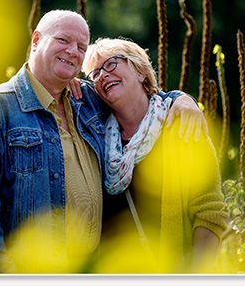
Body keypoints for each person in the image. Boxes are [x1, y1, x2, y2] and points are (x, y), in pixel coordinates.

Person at [0, 10, 202, 273]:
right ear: (36, 40)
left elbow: (143, 100)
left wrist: (181, 100)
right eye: (63, 40)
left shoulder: (89, 101)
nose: (73, 51)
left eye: (81, 46)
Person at [83, 37, 226, 273]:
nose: (103, 75)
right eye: (95, 74)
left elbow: (209, 213)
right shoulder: (95, 138)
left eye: (111, 64)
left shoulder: (181, 125)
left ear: (140, 71)